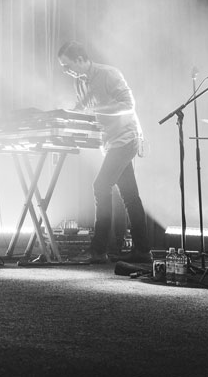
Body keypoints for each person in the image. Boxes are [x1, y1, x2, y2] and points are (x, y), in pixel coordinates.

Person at [57, 41, 151, 264]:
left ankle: (98, 250)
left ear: (81, 59)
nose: (66, 71)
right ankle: (142, 250)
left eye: (68, 65)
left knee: (101, 186)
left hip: (126, 138)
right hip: (110, 142)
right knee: (130, 196)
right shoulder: (80, 82)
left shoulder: (109, 74)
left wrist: (94, 110)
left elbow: (128, 104)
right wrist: (67, 117)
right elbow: (83, 110)